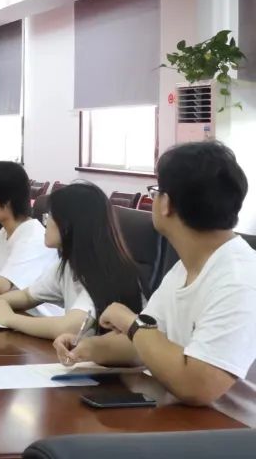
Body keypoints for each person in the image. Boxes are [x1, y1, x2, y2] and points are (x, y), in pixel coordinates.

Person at [56, 142, 256, 425]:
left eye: (156, 191)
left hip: (231, 430)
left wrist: (131, 323)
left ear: (166, 203)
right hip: (182, 418)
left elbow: (197, 385)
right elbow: (145, 346)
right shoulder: (184, 268)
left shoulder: (240, 278)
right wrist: (86, 348)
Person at [0, 182, 144, 339]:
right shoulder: (69, 264)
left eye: (49, 216)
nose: (45, 223)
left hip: (109, 363)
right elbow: (28, 296)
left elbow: (69, 328)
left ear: (69, 224)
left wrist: (10, 318)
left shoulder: (102, 271)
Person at [0, 161, 55, 297]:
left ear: (7, 199)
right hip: (11, 307)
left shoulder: (33, 238)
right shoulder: (5, 232)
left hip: (35, 310)